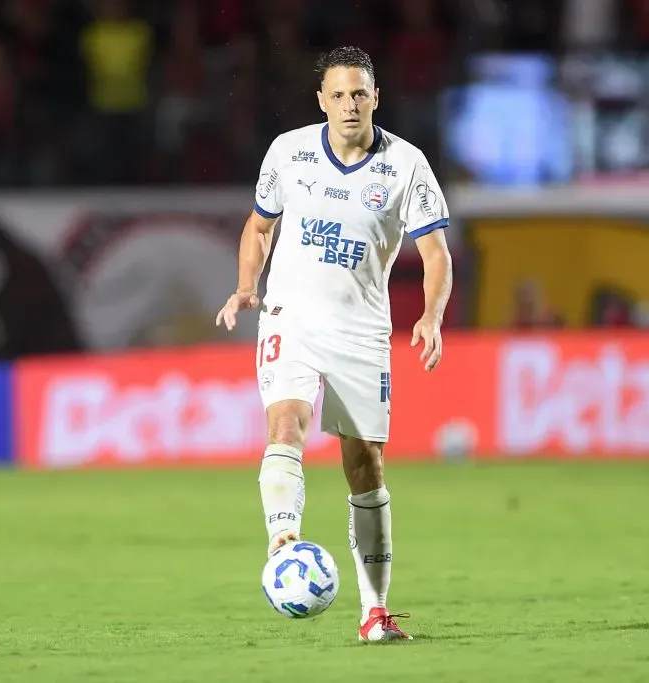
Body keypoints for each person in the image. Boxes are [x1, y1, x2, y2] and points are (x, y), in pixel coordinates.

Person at [215, 46, 453, 642]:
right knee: (285, 425)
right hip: (290, 317)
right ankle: (284, 542)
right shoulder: (288, 152)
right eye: (339, 94)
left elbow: (435, 254)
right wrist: (246, 286)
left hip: (361, 331)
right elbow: (259, 226)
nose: (349, 105)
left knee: (365, 465)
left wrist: (430, 316)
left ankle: (374, 612)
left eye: (359, 94)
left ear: (376, 98)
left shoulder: (407, 165)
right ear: (321, 100)